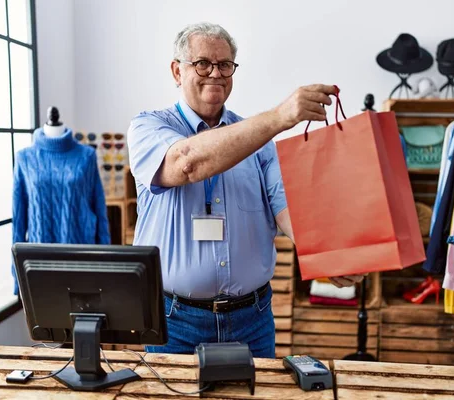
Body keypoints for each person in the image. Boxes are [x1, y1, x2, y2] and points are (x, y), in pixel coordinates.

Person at [128, 22, 363, 358]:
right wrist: (281, 116)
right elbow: (186, 163)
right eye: (202, 63)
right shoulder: (148, 126)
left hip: (251, 319)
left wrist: (329, 255)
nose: (215, 73)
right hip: (174, 320)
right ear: (176, 71)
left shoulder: (260, 143)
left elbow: (286, 211)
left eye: (225, 65)